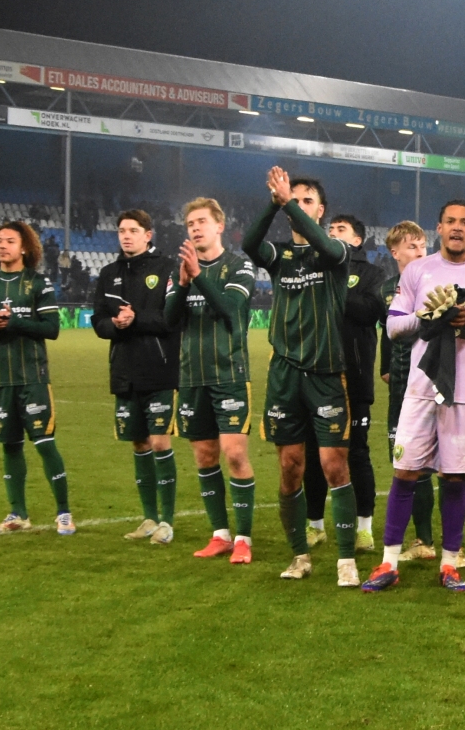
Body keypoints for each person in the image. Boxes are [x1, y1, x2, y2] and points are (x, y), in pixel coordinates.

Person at [363, 200, 465, 593]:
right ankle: (388, 562)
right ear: (439, 227)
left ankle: (449, 564)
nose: (457, 228)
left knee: (454, 477)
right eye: (450, 221)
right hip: (420, 388)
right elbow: (395, 327)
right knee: (405, 472)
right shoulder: (418, 270)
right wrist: (429, 318)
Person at [242, 168, 360, 586]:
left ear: (320, 211)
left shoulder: (335, 251)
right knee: (290, 467)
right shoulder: (279, 257)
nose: (299, 204)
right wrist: (275, 204)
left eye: (307, 200)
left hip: (326, 373)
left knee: (333, 467)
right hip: (284, 375)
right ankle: (299, 555)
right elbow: (247, 243)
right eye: (295, 200)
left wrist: (287, 200)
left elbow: (327, 245)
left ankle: (346, 559)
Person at [166, 197, 259, 563]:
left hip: (229, 374)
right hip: (191, 377)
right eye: (190, 223)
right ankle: (220, 533)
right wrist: (186, 282)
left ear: (219, 225)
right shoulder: (181, 273)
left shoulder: (240, 266)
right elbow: (170, 321)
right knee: (205, 457)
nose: (195, 228)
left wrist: (198, 277)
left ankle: (244, 538)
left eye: (202, 221)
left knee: (234, 454)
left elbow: (230, 310)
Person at [0, 221, 74, 535]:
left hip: (32, 378)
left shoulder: (37, 284)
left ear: (24, 247)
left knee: (45, 444)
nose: (2, 246)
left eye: (10, 241)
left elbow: (51, 329)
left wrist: (14, 323)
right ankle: (17, 514)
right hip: (0, 380)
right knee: (10, 447)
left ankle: (64, 513)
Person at [93, 209, 181, 545]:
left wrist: (135, 318)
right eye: (121, 231)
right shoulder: (108, 273)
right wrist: (112, 325)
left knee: (160, 442)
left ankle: (167, 521)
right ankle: (148, 518)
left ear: (149, 234)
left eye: (133, 230)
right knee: (139, 443)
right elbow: (98, 318)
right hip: (124, 371)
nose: (126, 236)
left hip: (159, 369)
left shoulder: (166, 268)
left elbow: (171, 319)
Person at [300, 214, 386, 554]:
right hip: (315, 374)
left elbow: (370, 310)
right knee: (314, 452)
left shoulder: (371, 273)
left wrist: (334, 288)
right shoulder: (315, 268)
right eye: (330, 230)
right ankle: (315, 525)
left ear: (357, 240)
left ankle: (364, 528)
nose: (332, 234)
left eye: (341, 230)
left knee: (357, 453)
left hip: (354, 375)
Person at [377, 221, 439, 563]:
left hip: (430, 384)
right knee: (403, 462)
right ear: (395, 252)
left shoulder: (436, 284)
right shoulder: (386, 289)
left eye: (422, 245)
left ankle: (428, 540)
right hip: (399, 387)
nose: (419, 252)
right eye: (411, 246)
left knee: (430, 466)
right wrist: (385, 367)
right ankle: (418, 541)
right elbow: (384, 330)